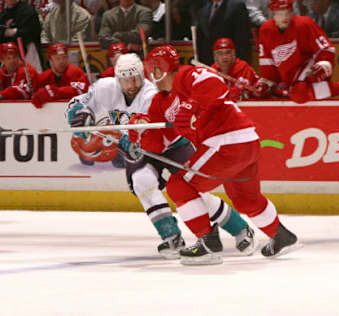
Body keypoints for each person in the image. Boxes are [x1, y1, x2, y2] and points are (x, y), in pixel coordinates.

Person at [66, 53, 257, 258]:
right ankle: (171, 237)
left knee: (192, 189)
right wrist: (79, 114)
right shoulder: (105, 87)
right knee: (142, 182)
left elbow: (154, 138)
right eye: (125, 80)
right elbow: (78, 102)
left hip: (172, 143)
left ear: (143, 75)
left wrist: (129, 141)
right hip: (139, 145)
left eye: (136, 78)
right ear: (117, 78)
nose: (131, 84)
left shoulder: (150, 94)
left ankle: (240, 228)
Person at [141, 44, 301, 265]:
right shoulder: (160, 102)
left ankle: (208, 245)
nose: (150, 77)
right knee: (246, 200)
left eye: (151, 71)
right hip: (242, 143)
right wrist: (135, 138)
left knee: (179, 185)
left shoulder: (186, 75)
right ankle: (282, 236)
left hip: (227, 140)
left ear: (159, 70)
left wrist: (189, 106)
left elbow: (215, 83)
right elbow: (155, 140)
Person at [256, 0, 339, 104]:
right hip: (288, 74)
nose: (284, 17)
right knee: (276, 93)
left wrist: (323, 65)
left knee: (300, 92)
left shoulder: (304, 24)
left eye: (287, 13)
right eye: (279, 14)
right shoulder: (266, 30)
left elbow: (326, 48)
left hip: (308, 66)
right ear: (273, 14)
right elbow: (267, 60)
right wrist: (268, 82)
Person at [32, 43, 90, 109]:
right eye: (57, 58)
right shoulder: (43, 77)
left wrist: (57, 92)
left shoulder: (76, 72)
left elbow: (83, 92)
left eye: (64, 57)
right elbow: (33, 95)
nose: (61, 61)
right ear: (50, 60)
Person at [196, 0, 251, 65]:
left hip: (230, 63)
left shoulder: (237, 6)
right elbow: (201, 39)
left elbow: (242, 39)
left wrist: (240, 64)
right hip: (208, 63)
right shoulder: (204, 8)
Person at [0, 0, 42, 72]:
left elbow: (27, 34)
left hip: (27, 58)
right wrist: (13, 32)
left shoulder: (28, 11)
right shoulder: (2, 15)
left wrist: (7, 33)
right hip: (6, 62)